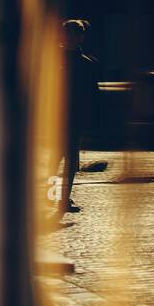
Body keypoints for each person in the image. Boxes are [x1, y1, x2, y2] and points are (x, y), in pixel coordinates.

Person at [56, 19, 99, 214]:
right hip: (73, 118)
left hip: (60, 117)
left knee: (62, 160)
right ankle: (62, 198)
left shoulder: (54, 60)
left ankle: (57, 197)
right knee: (69, 162)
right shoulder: (86, 64)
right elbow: (92, 96)